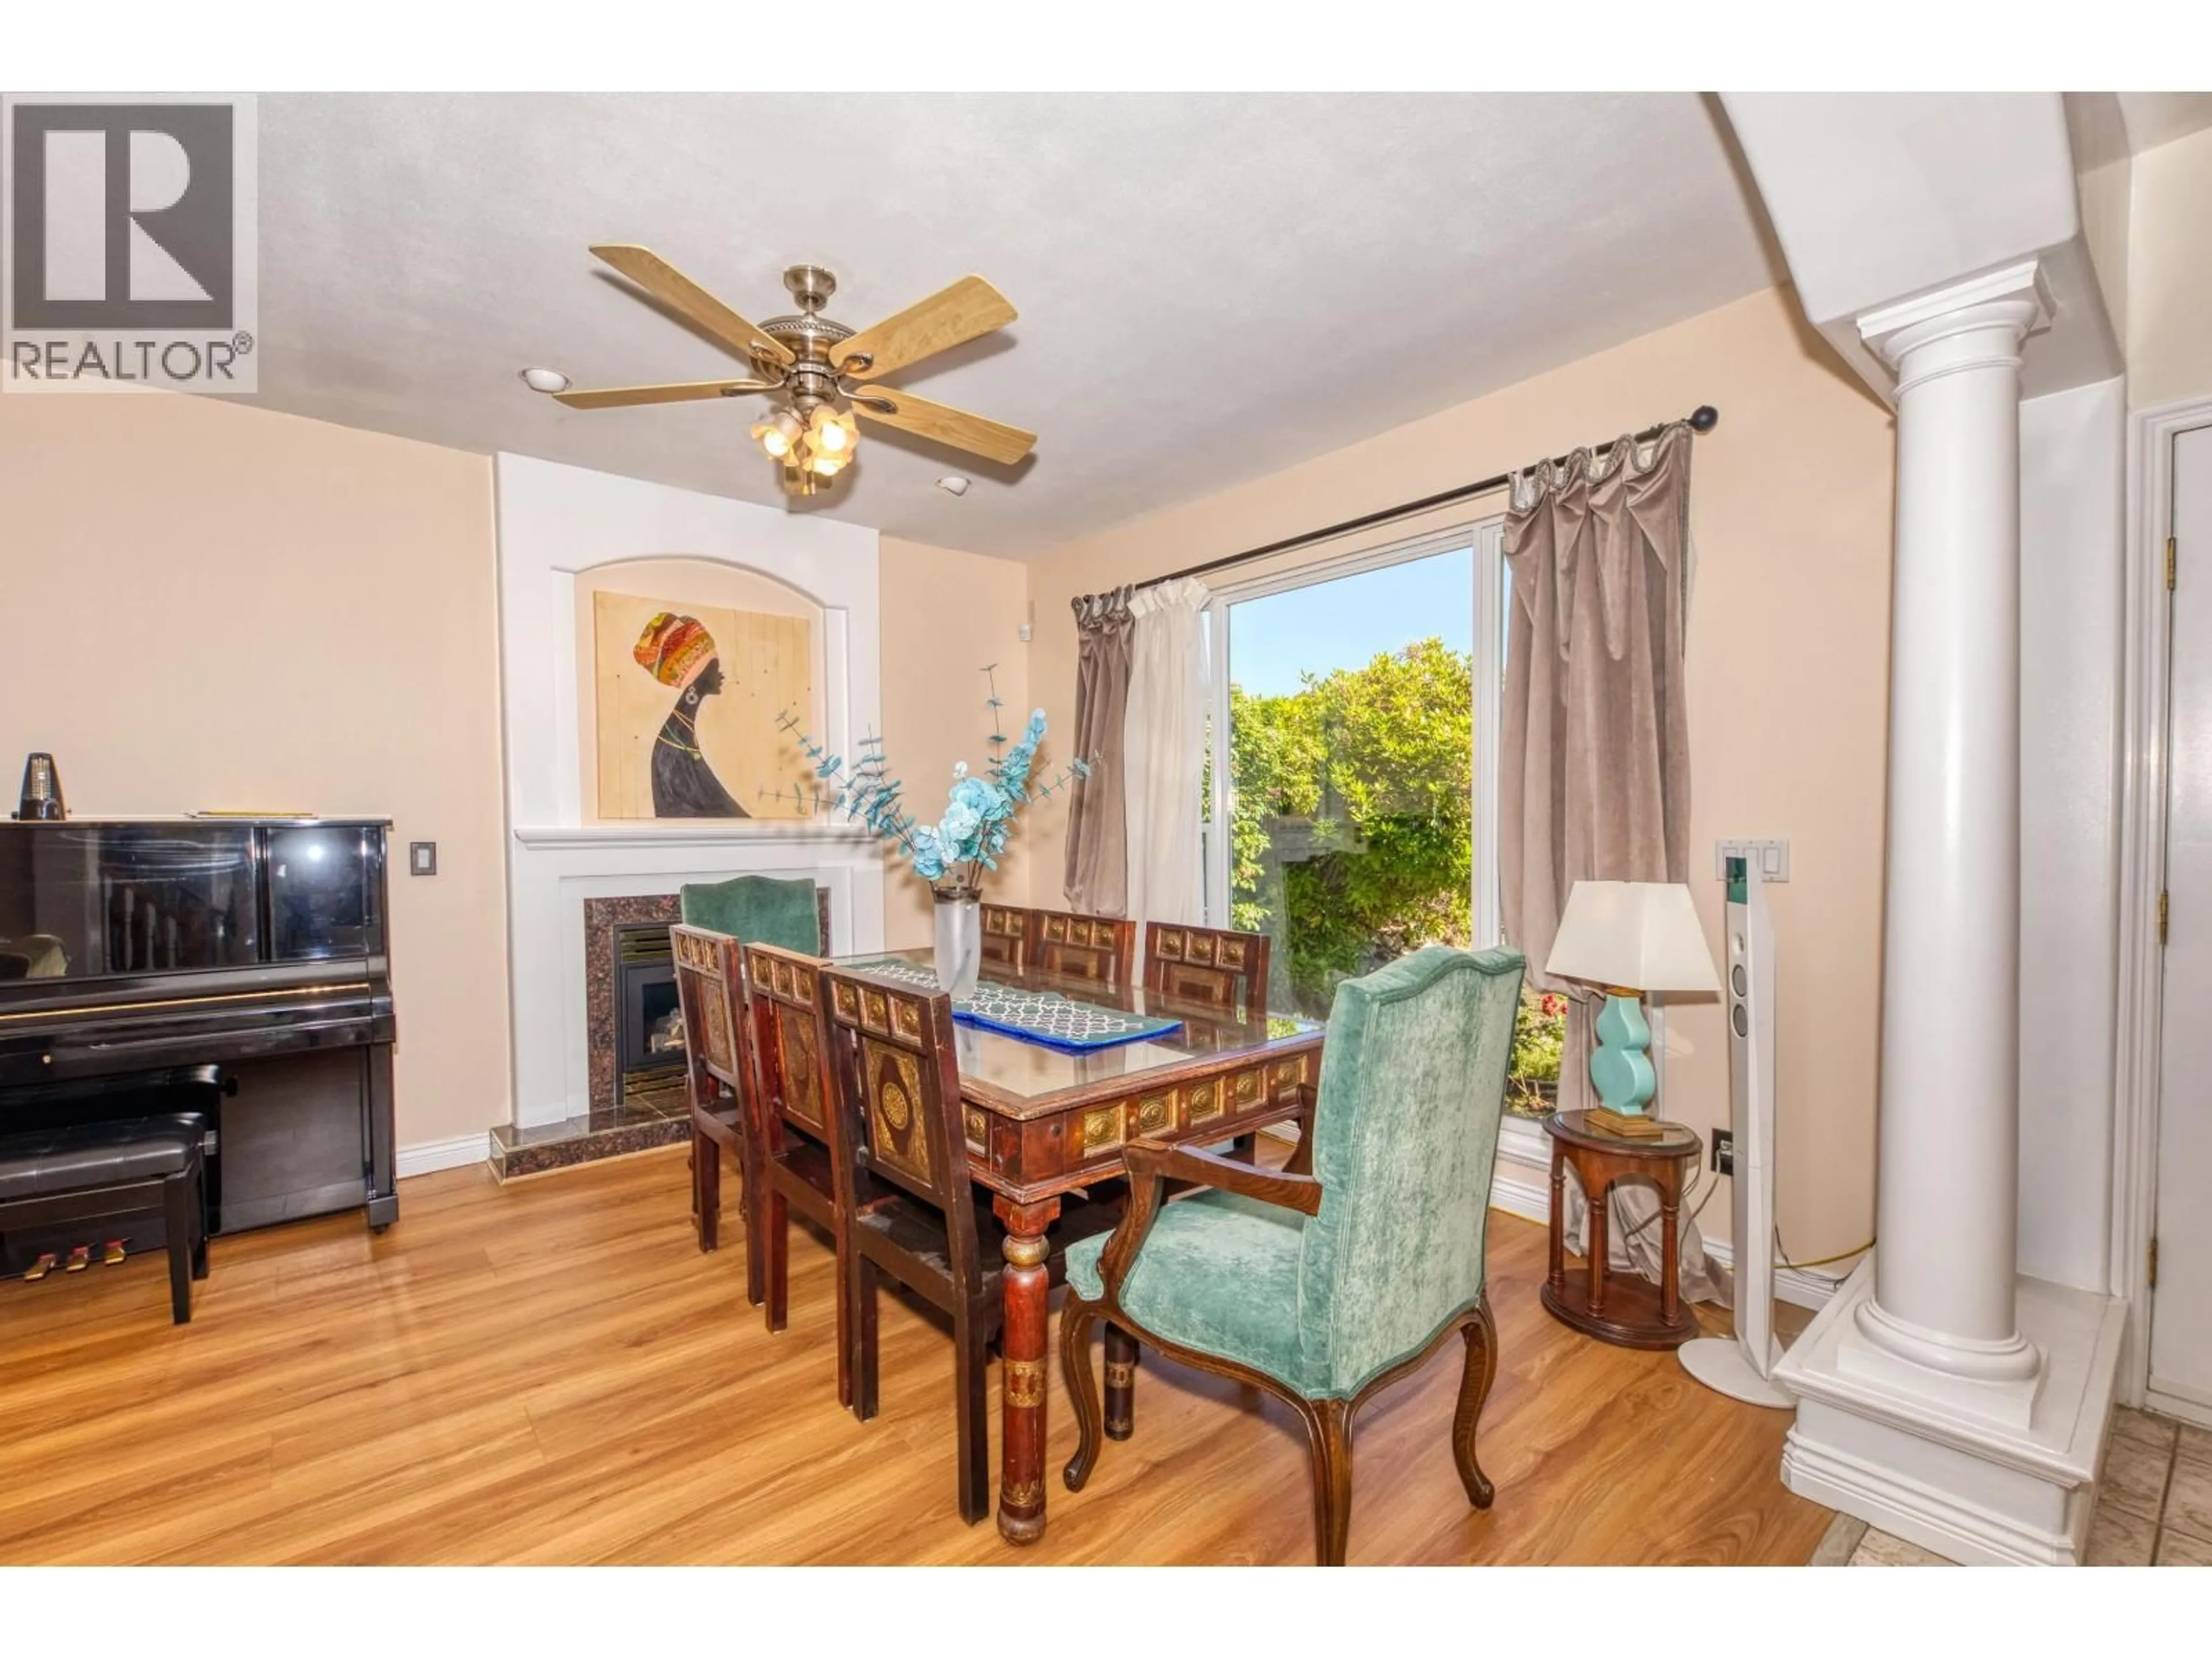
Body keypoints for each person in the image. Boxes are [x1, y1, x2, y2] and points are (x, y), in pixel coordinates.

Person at [631, 612, 749, 819]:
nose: (721, 675)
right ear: (698, 677)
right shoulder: (672, 748)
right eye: (715, 667)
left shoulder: (681, 735)